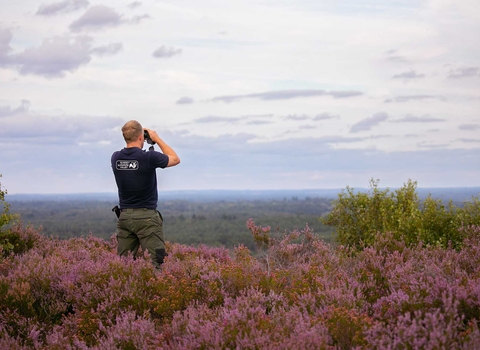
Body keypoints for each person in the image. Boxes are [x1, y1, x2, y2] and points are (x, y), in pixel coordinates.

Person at [111, 120, 180, 268]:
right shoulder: (148, 158)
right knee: (157, 263)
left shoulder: (116, 158)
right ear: (141, 137)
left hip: (125, 217)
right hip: (147, 218)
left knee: (123, 265)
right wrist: (157, 139)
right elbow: (175, 159)